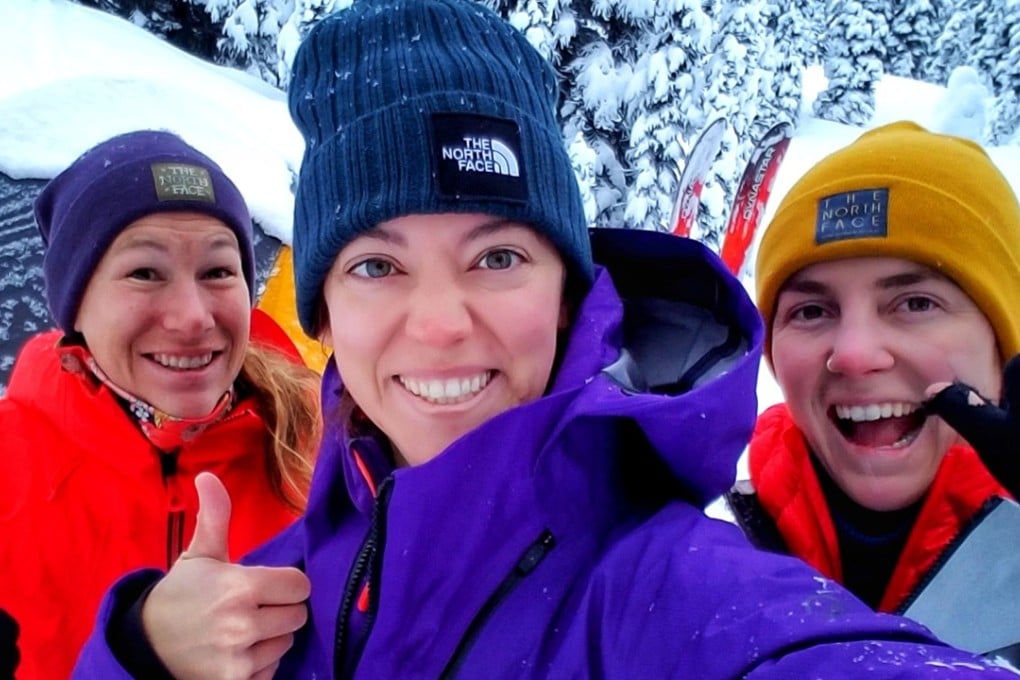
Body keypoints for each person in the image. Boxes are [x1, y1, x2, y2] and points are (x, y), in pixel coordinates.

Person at [75, 5, 1020, 679]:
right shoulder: (275, 586)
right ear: (319, 310)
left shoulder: (659, 585)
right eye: (376, 265)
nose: (441, 321)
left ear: (570, 296)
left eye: (496, 257)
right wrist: (141, 653)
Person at [0, 130, 322, 680]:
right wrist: (137, 651)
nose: (193, 316)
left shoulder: (330, 445)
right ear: (75, 307)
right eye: (145, 273)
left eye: (219, 271)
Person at [727, 121, 1020, 659]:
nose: (855, 354)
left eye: (915, 303)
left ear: (1004, 347)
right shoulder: (708, 548)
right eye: (811, 311)